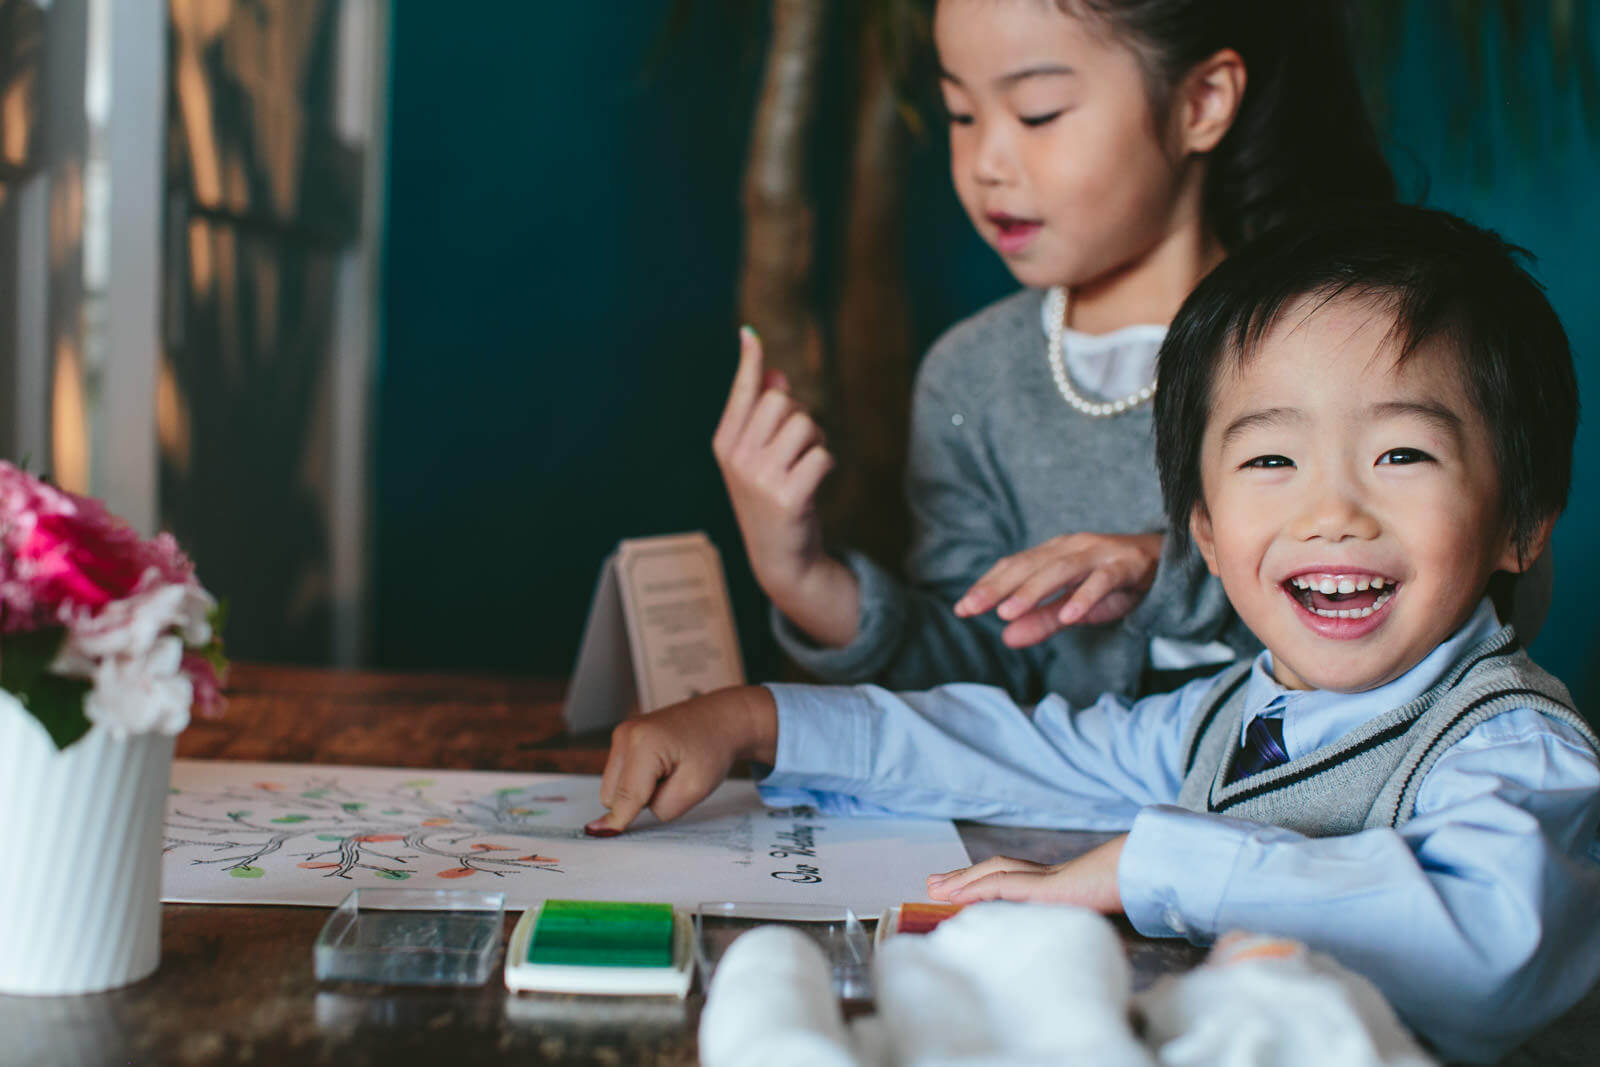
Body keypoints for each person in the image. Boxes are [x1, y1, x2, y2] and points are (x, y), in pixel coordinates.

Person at [591, 204, 1600, 1063]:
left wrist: (1142, 865)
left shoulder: (1511, 746)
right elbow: (1026, 748)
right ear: (1199, 531)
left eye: (1400, 451)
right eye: (1269, 462)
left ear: (1519, 522)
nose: (1330, 509)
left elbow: (1486, 950)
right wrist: (764, 719)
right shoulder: (1228, 717)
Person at [714, 0, 1396, 705]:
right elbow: (973, 672)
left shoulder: (1333, 347)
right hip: (1065, 814)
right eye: (960, 114)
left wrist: (1158, 566)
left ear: (1201, 101)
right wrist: (801, 578)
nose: (986, 164)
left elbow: (1409, 612)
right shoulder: (971, 378)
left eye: (1038, 113)